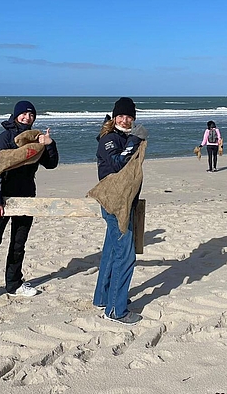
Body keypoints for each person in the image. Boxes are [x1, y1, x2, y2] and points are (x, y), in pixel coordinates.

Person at [0, 100, 59, 310]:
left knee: (18, 244)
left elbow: (51, 164)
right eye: (24, 114)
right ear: (15, 116)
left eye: (31, 115)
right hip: (3, 200)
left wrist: (49, 144)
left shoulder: (35, 138)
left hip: (26, 199)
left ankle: (14, 284)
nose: (27, 118)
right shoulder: (5, 138)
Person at [93, 97, 147, 325]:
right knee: (125, 255)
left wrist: (132, 140)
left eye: (129, 117)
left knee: (111, 252)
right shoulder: (110, 138)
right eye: (121, 116)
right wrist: (134, 140)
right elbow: (116, 163)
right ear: (114, 117)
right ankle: (116, 310)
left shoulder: (122, 137)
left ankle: (103, 298)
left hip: (124, 203)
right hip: (116, 205)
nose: (125, 120)